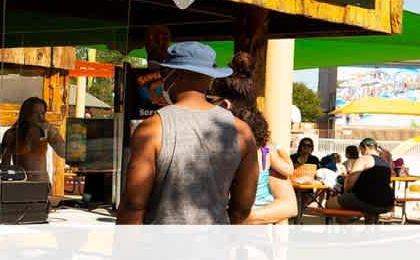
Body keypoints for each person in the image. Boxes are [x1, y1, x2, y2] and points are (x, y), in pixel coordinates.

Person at [118, 42, 259, 225]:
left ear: (174, 74)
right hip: (216, 248)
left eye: (164, 73)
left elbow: (134, 205)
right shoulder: (241, 132)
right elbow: (242, 208)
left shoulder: (152, 128)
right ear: (210, 78)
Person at [209, 51, 296, 225]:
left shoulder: (213, 143)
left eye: (210, 99)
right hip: (257, 237)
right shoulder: (263, 145)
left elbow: (289, 206)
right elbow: (288, 200)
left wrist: (233, 219)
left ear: (225, 104)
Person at [327, 138, 395, 223]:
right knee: (369, 208)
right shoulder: (385, 163)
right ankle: (365, 228)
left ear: (365, 148)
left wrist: (345, 192)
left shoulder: (364, 159)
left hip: (368, 201)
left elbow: (350, 182)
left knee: (330, 203)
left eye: (361, 150)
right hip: (387, 203)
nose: (361, 152)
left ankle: (347, 225)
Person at [0, 97, 66, 182]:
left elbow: (63, 152)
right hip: (21, 184)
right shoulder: (12, 134)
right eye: (36, 113)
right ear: (27, 114)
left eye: (42, 113)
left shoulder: (45, 132)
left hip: (42, 183)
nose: (40, 117)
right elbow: (5, 164)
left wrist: (52, 131)